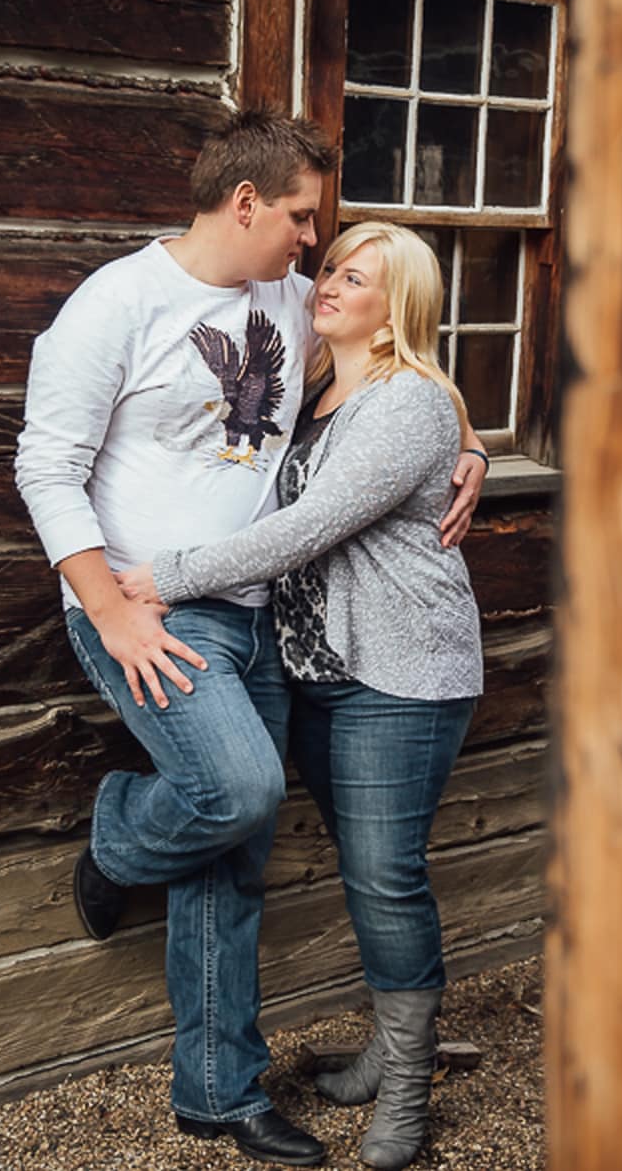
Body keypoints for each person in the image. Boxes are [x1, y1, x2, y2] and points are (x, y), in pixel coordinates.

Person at [13, 110, 488, 1169]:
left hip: (260, 611)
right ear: (245, 205)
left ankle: (217, 1092)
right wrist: (109, 605)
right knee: (237, 791)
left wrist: (470, 450)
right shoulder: (113, 305)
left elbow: (393, 379)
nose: (311, 244)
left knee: (232, 857)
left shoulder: (285, 294)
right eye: (300, 217)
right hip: (149, 607)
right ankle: (115, 837)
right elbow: (45, 471)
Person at [118, 223, 483, 1171]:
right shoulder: (325, 385)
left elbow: (308, 527)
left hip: (401, 678)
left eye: (354, 277)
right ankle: (386, 1050)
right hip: (323, 671)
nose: (328, 284)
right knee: (373, 867)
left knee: (385, 875)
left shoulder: (406, 403)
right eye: (329, 268)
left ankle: (404, 1082)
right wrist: (473, 439)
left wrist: (171, 575)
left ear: (395, 306)